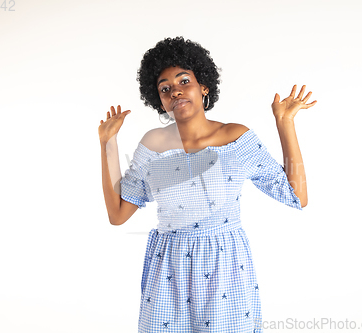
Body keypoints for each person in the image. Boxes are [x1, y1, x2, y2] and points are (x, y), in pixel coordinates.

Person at [98, 36, 316, 332]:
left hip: (224, 267)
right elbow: (118, 214)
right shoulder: (152, 145)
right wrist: (107, 143)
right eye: (165, 88)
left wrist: (285, 123)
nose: (175, 90)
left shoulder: (236, 138)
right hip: (168, 270)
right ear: (160, 100)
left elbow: (296, 196)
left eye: (183, 80)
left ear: (204, 87)